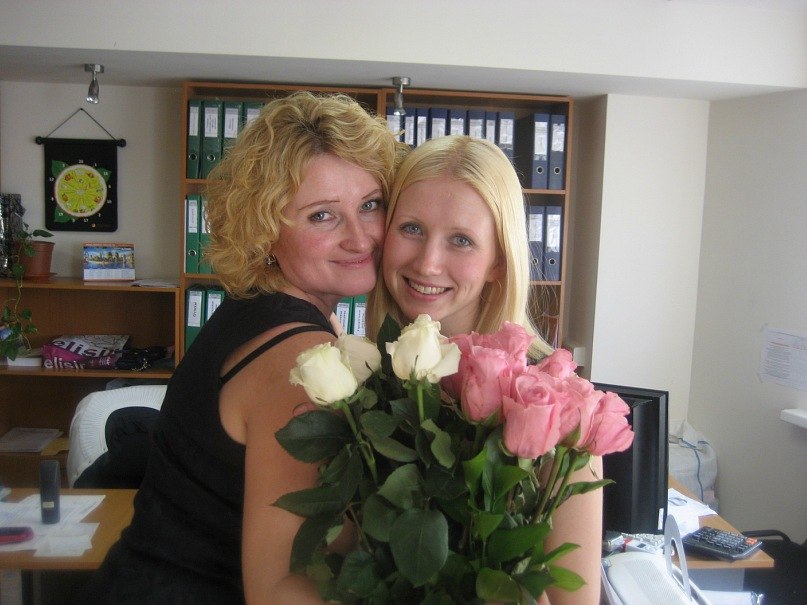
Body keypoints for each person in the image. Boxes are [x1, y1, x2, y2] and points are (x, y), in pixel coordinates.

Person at [80, 91, 407, 604]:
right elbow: (280, 589)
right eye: (322, 216)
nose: (361, 238)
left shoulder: (260, 311)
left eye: (370, 205)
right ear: (265, 230)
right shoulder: (300, 363)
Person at [367, 134, 603, 605]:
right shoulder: (365, 385)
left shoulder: (558, 406)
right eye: (411, 228)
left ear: (499, 261)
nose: (427, 263)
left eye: (461, 240)